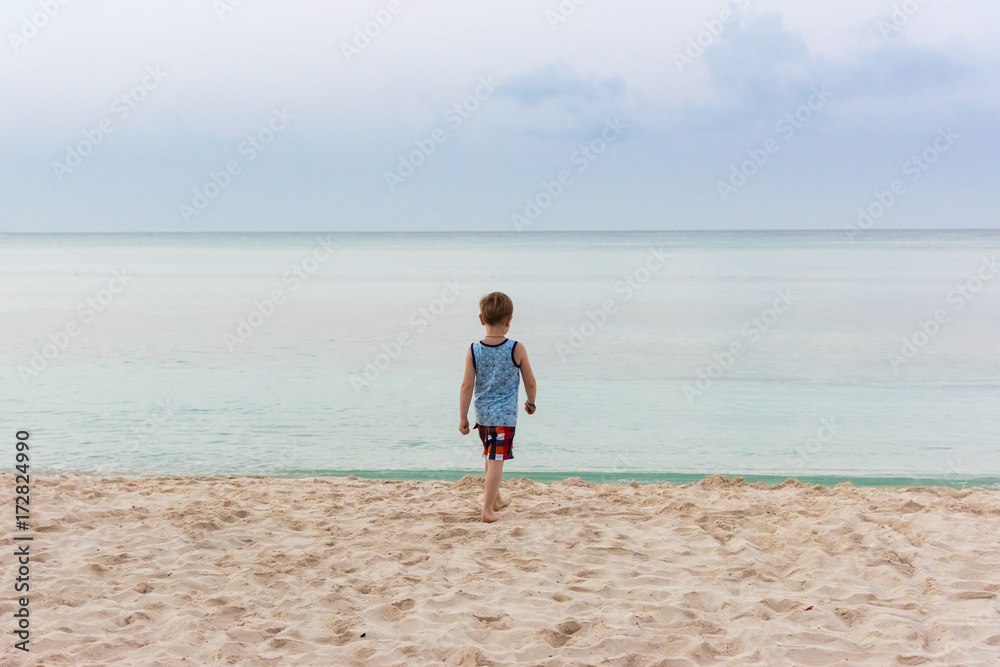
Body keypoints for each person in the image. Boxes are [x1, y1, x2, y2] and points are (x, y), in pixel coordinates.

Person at [459, 292, 537, 522]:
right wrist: (531, 402)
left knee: (490, 456)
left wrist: (463, 417)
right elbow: (530, 381)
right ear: (509, 320)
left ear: (481, 319)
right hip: (504, 417)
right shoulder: (516, 348)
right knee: (496, 460)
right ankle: (487, 510)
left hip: (482, 415)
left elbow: (466, 385)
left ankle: (497, 500)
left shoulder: (474, 349)